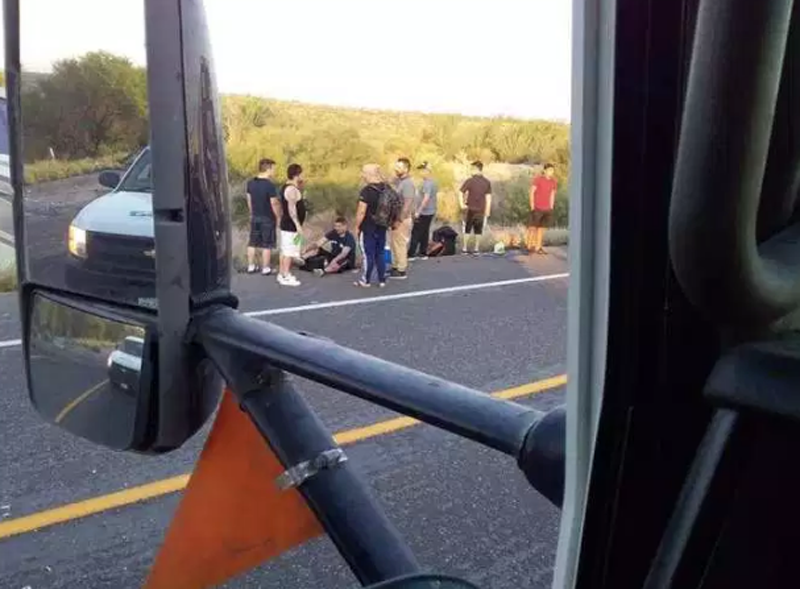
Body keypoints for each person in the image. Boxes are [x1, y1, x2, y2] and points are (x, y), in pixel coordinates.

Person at [354, 164, 389, 288]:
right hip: (382, 225)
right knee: (380, 253)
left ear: (369, 174)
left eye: (363, 172)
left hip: (368, 227)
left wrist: (357, 226)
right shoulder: (386, 188)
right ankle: (382, 279)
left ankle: (366, 280)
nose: (362, 175)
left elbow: (361, 211)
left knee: (368, 254)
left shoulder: (367, 191)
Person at [245, 158, 281, 275]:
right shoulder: (270, 185)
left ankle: (251, 266)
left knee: (252, 242)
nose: (274, 171)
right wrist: (278, 216)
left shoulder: (250, 183)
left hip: (255, 216)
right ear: (268, 169)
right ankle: (265, 268)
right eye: (273, 169)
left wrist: (252, 213)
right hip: (267, 217)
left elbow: (249, 200)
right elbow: (274, 203)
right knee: (267, 243)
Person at [277, 163, 307, 286]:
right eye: (301, 174)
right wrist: (297, 225)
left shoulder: (292, 187)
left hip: (289, 225)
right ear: (296, 175)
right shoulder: (291, 189)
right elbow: (291, 209)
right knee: (288, 252)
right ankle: (286, 275)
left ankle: (282, 273)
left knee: (287, 250)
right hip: (290, 225)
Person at [388, 157, 416, 279]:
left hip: (403, 219)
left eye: (399, 167)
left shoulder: (408, 184)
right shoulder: (400, 182)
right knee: (394, 243)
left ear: (406, 169)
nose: (396, 169)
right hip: (396, 218)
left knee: (400, 244)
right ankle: (395, 266)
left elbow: (407, 204)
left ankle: (401, 269)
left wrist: (399, 220)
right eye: (396, 166)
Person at [459, 161, 492, 254]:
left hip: (470, 209)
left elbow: (460, 192)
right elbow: (488, 198)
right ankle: (476, 249)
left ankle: (465, 248)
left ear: (477, 169)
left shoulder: (470, 181)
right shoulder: (487, 182)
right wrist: (487, 211)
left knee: (467, 229)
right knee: (478, 229)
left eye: (472, 169)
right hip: (481, 209)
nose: (470, 171)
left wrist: (462, 204)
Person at [408, 161, 438, 260]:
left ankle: (411, 254)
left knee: (416, 232)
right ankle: (423, 253)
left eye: (422, 170)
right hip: (430, 211)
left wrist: (418, 211)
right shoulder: (433, 182)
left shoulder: (427, 184)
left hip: (424, 212)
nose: (420, 172)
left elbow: (426, 198)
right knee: (425, 232)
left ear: (427, 171)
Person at [528, 163, 558, 255]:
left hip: (547, 209)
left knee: (541, 229)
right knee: (533, 228)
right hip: (537, 207)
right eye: (549, 170)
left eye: (552, 170)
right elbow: (532, 192)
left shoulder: (553, 182)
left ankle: (538, 247)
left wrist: (551, 207)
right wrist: (532, 206)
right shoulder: (538, 179)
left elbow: (552, 194)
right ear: (544, 171)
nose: (551, 172)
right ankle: (529, 246)